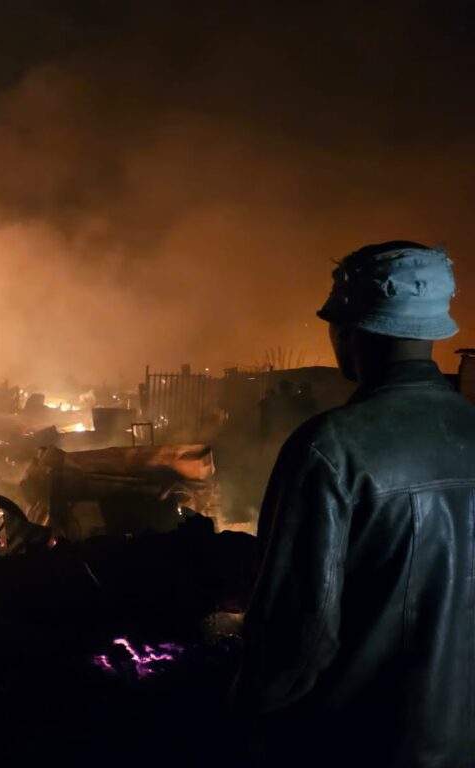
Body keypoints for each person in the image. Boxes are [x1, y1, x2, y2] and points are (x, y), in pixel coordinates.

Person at [231, 241, 475, 767]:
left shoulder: (331, 448)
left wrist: (248, 719)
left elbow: (297, 634)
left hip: (361, 742)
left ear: (347, 330)